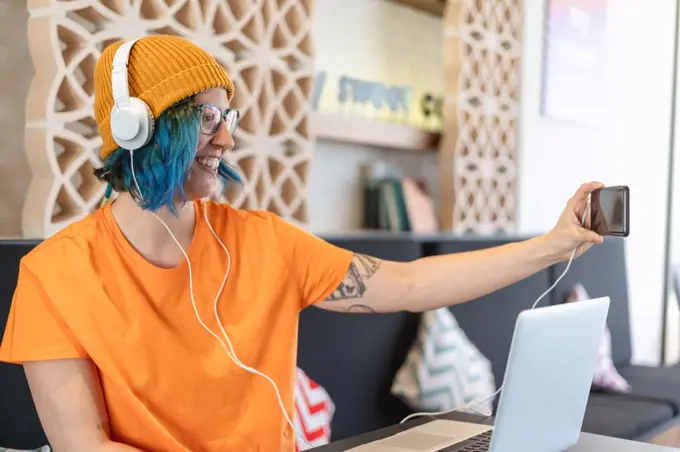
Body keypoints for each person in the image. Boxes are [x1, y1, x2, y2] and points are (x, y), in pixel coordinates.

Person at [0, 35, 604, 452]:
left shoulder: (262, 243)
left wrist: (553, 245)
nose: (227, 141)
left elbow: (413, 284)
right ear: (139, 128)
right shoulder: (54, 276)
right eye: (206, 118)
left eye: (227, 118)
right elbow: (83, 443)